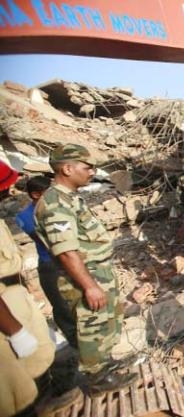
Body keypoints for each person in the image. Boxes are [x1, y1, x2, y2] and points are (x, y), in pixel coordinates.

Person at [34, 144, 138, 396]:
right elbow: (66, 252)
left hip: (96, 270)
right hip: (83, 277)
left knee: (105, 323)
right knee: (91, 326)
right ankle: (97, 380)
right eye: (87, 167)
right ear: (67, 169)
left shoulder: (69, 198)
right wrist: (89, 286)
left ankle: (105, 364)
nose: (92, 172)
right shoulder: (55, 203)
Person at [0, 161, 56, 417]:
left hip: (12, 304)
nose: (8, 192)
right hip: (5, 316)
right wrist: (16, 331)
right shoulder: (30, 216)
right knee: (12, 391)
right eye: (4, 187)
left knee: (29, 373)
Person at [16, 175, 77, 347]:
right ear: (36, 195)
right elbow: (47, 239)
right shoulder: (27, 216)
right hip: (51, 263)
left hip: (66, 258)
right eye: (47, 192)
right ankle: (75, 343)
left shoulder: (55, 207)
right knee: (62, 306)